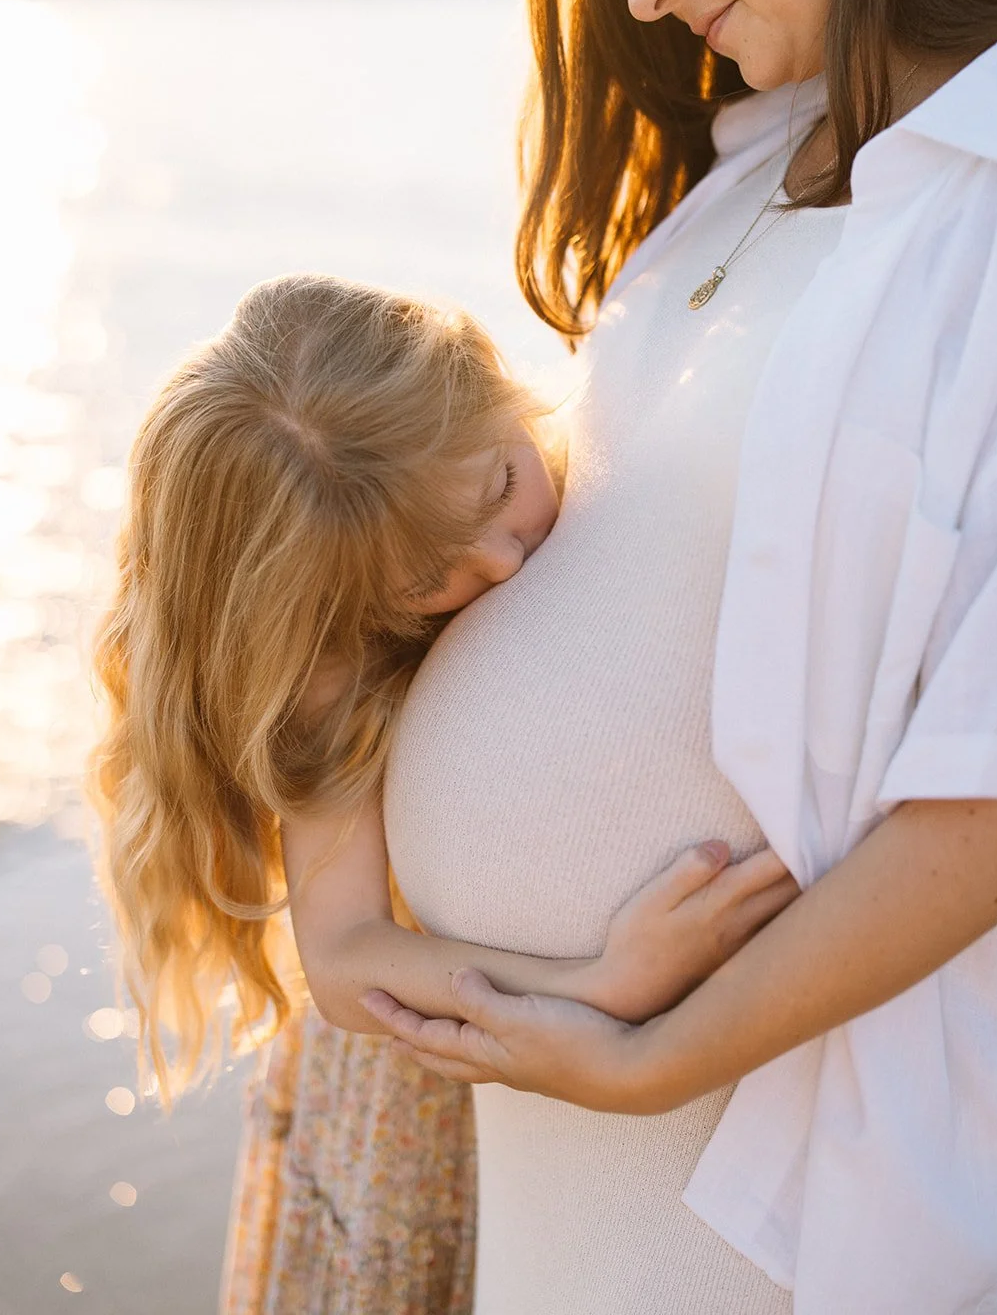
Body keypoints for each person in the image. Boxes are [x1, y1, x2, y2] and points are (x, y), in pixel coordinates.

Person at [356, 0, 997, 1312]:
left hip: (772, 1139)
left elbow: (988, 792)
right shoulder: (748, 172)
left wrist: (652, 1056)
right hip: (580, 1131)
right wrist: (342, 909)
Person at [86, 274, 792, 1307]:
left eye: (502, 488)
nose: (504, 559)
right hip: (414, 1076)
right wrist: (595, 981)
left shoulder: (559, 419)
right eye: (431, 584)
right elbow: (341, 956)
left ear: (489, 380)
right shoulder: (330, 653)